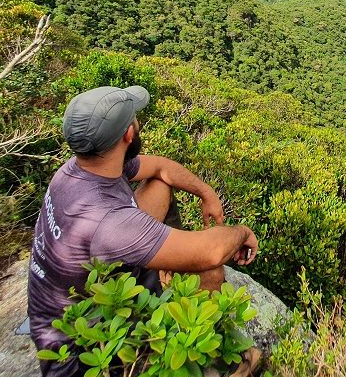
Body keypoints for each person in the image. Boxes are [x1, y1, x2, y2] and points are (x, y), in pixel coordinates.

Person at [27, 85, 259, 377]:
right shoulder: (109, 222)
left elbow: (161, 168)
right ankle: (218, 357)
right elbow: (210, 252)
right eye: (135, 119)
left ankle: (166, 263)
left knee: (160, 185)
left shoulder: (82, 168)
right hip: (86, 353)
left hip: (88, 290)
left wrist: (207, 193)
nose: (139, 123)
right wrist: (241, 232)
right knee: (210, 273)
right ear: (128, 135)